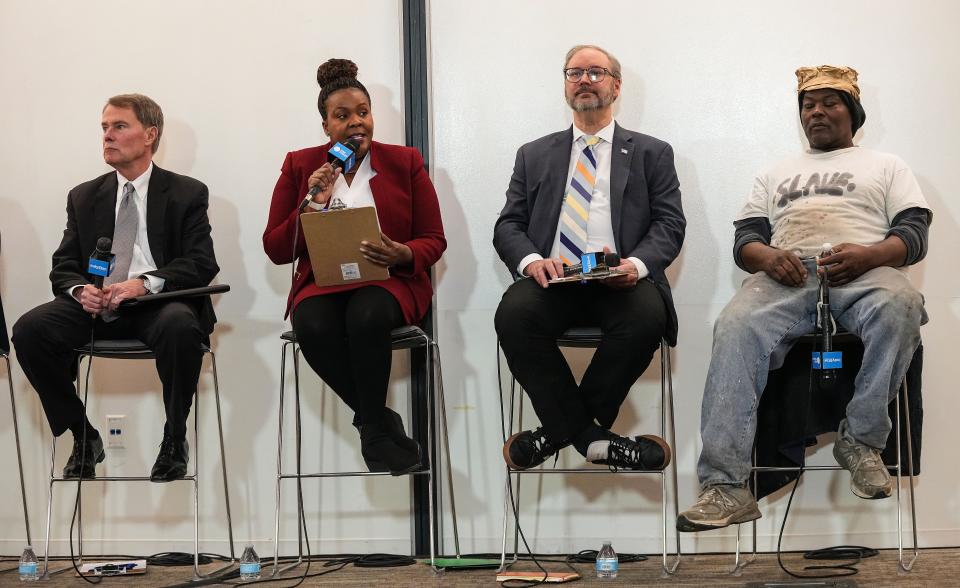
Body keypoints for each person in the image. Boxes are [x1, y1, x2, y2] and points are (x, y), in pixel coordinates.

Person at [677, 65, 931, 531]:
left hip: (864, 272)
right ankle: (726, 485)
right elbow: (745, 242)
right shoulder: (775, 173)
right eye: (808, 105)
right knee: (734, 324)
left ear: (852, 112)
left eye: (829, 103)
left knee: (903, 303)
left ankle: (861, 439)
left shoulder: (886, 165)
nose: (816, 112)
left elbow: (913, 236)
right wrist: (769, 258)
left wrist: (869, 254)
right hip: (789, 276)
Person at [493, 45, 686, 471]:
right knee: (513, 313)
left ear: (616, 86)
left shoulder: (652, 152)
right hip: (556, 279)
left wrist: (633, 267)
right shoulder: (533, 153)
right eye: (574, 72)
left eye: (596, 72)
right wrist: (531, 261)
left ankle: (554, 434)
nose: (584, 79)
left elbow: (670, 226)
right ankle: (594, 440)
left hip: (620, 282)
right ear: (565, 84)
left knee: (646, 314)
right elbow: (508, 225)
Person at [13, 93, 220, 482]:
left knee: (180, 326)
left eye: (119, 126)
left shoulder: (187, 193)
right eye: (104, 127)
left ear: (149, 135)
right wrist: (79, 291)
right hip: (98, 306)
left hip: (157, 306)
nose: (107, 135)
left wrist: (142, 284)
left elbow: (200, 263)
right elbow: (64, 266)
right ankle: (83, 435)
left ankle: (175, 437)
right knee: (29, 329)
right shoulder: (85, 196)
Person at [263, 59, 446, 475]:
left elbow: (434, 239)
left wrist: (402, 253)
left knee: (367, 314)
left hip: (390, 282)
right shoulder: (300, 165)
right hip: (322, 285)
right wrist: (313, 203)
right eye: (342, 116)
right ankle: (377, 423)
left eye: (363, 112)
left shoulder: (404, 162)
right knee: (312, 324)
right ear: (326, 126)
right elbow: (276, 248)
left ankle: (374, 429)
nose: (355, 123)